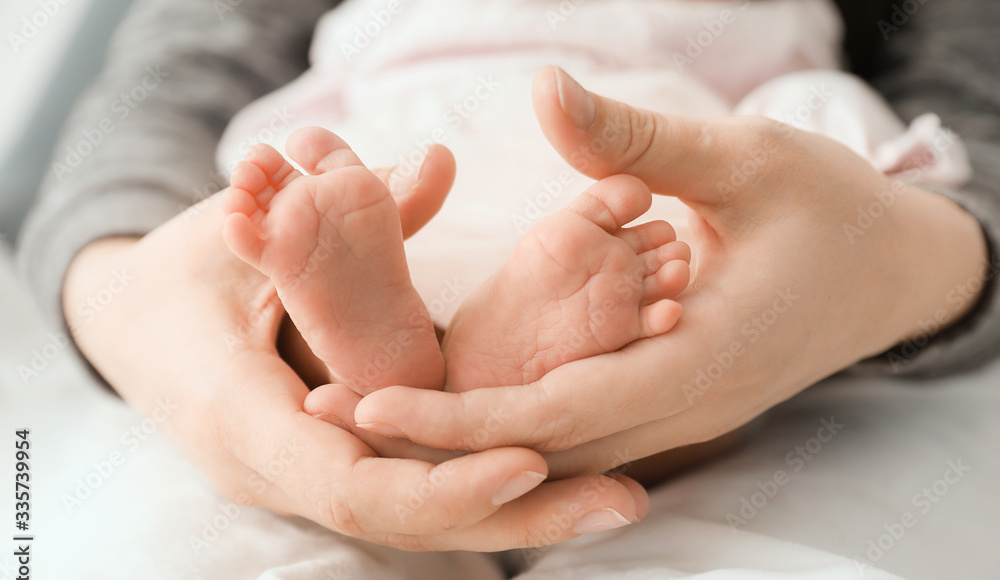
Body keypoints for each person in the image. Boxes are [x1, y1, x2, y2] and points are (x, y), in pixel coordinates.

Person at [16, 0, 1000, 552]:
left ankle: (382, 345)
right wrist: (122, 291)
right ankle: (386, 342)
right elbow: (162, 93)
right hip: (512, 169)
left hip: (657, 160)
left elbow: (972, 118)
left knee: (740, 260)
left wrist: (900, 248)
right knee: (306, 186)